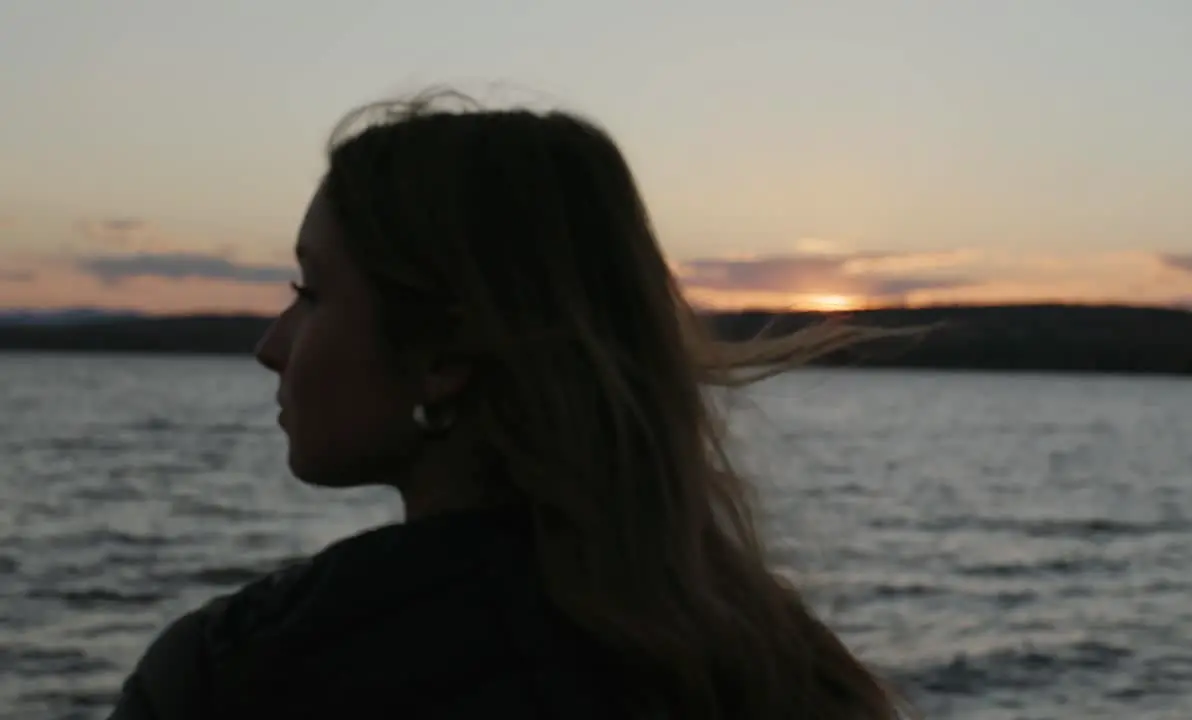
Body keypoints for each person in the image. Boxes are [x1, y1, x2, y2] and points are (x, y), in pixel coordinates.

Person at [107, 90, 906, 720]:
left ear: (444, 357)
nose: (272, 346)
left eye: (311, 294)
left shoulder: (245, 674)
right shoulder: (780, 667)